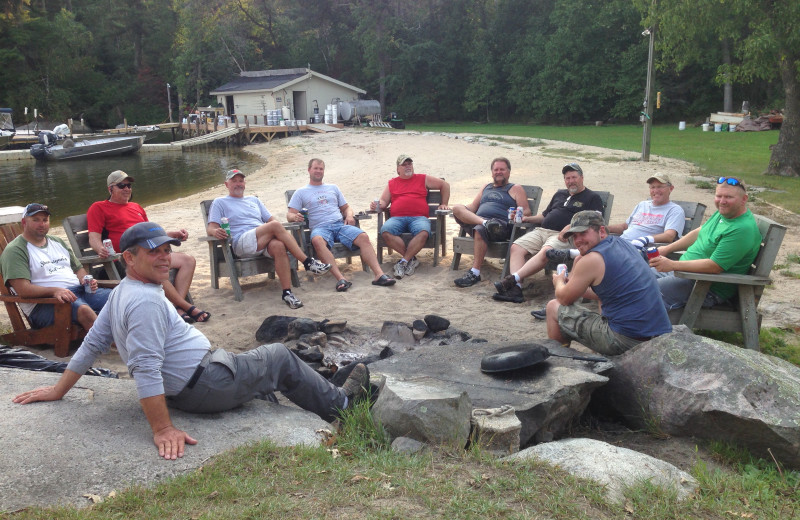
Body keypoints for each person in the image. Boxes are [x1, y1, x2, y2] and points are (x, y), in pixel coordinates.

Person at [13, 222, 372, 460]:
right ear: (128, 257)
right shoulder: (144, 301)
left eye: (167, 250)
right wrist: (163, 428)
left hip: (201, 378)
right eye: (154, 252)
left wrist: (59, 389)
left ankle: (304, 400)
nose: (165, 258)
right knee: (278, 356)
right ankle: (345, 405)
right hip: (205, 385)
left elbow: (92, 344)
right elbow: (145, 367)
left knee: (257, 370)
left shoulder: (125, 289)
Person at [526, 173, 685, 318]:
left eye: (660, 187)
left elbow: (670, 235)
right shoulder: (642, 205)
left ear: (670, 188)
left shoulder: (675, 210)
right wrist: (603, 229)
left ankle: (564, 294)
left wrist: (646, 239)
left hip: (640, 250)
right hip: (620, 242)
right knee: (582, 259)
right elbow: (625, 227)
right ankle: (564, 297)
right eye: (652, 187)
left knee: (586, 260)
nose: (655, 190)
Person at [544, 211, 673, 355]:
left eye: (583, 233)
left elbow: (564, 298)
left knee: (553, 307)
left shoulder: (592, 259)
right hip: (656, 334)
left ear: (602, 231)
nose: (578, 240)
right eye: (574, 236)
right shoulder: (622, 243)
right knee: (602, 300)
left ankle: (559, 358)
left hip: (625, 340)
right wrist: (574, 282)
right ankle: (598, 354)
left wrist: (559, 282)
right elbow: (609, 292)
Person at [87, 170, 207, 323]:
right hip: (127, 259)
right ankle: (186, 306)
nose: (127, 189)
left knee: (188, 260)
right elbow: (93, 237)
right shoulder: (99, 207)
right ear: (110, 189)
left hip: (151, 251)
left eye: (129, 185)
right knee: (156, 265)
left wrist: (173, 234)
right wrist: (100, 249)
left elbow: (151, 235)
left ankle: (177, 308)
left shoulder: (136, 207)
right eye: (121, 185)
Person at [207, 169, 332, 309]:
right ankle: (308, 262)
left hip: (262, 240)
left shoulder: (253, 200)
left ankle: (287, 293)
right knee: (274, 226)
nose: (238, 184)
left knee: (278, 246)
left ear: (245, 183)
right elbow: (211, 228)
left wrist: (277, 230)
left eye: (240, 181)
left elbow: (272, 220)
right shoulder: (220, 202)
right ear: (226, 184)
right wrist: (216, 231)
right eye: (234, 181)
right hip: (242, 242)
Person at [493, 163, 604, 303]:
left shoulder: (592, 197)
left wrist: (571, 227)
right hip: (541, 230)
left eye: (574, 177)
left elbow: (596, 220)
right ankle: (516, 289)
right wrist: (528, 218)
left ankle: (512, 279)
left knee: (547, 251)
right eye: (567, 178)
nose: (571, 181)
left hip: (564, 236)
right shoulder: (560, 194)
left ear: (581, 178)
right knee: (516, 247)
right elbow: (544, 216)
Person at [650, 176, 761, 310]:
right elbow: (700, 231)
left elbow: (714, 266)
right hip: (682, 273)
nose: (722, 201)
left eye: (729, 197)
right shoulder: (724, 213)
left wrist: (672, 264)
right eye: (718, 196)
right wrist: (667, 249)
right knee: (632, 278)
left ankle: (638, 328)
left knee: (644, 292)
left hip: (703, 286)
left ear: (744, 199)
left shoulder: (742, 229)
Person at [287, 158, 396, 290]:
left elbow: (346, 208)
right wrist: (295, 217)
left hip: (339, 225)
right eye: (315, 168)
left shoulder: (333, 188)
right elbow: (289, 214)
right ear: (309, 170)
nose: (318, 171)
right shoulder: (301, 192)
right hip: (320, 228)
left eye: (321, 169)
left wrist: (349, 215)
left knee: (363, 237)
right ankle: (341, 279)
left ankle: (379, 275)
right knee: (317, 240)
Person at [0, 203, 112, 332]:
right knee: (84, 311)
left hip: (79, 292)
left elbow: (78, 269)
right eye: (35, 220)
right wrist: (55, 291)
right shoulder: (16, 250)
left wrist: (86, 280)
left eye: (45, 220)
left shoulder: (57, 242)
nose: (41, 224)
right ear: (24, 222)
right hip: (46, 304)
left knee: (120, 297)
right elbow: (23, 290)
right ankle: (115, 347)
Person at [451, 157, 532, 287]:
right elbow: (473, 207)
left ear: (509, 172)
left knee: (479, 229)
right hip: (479, 221)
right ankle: (485, 223)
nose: (498, 172)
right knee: (456, 208)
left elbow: (527, 211)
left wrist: (516, 213)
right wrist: (462, 210)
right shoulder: (486, 187)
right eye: (496, 169)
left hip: (500, 226)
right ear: (492, 172)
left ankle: (475, 273)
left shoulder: (515, 188)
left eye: (502, 169)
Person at [372, 154, 450, 278]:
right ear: (398, 169)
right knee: (385, 231)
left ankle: (403, 261)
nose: (408, 166)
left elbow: (444, 185)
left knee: (423, 232)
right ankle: (410, 259)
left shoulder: (422, 178)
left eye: (410, 164)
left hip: (418, 218)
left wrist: (444, 203)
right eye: (404, 164)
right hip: (397, 219)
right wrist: (376, 205)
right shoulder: (392, 183)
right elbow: (383, 201)